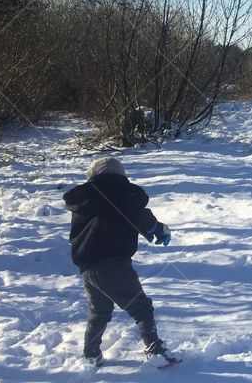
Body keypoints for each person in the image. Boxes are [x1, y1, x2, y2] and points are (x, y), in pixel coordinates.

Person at [63, 157, 178, 367]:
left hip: (88, 269)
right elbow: (140, 217)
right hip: (114, 264)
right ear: (120, 176)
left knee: (99, 312)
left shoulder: (84, 201)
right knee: (141, 308)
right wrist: (158, 230)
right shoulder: (122, 195)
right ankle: (155, 350)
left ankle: (91, 354)